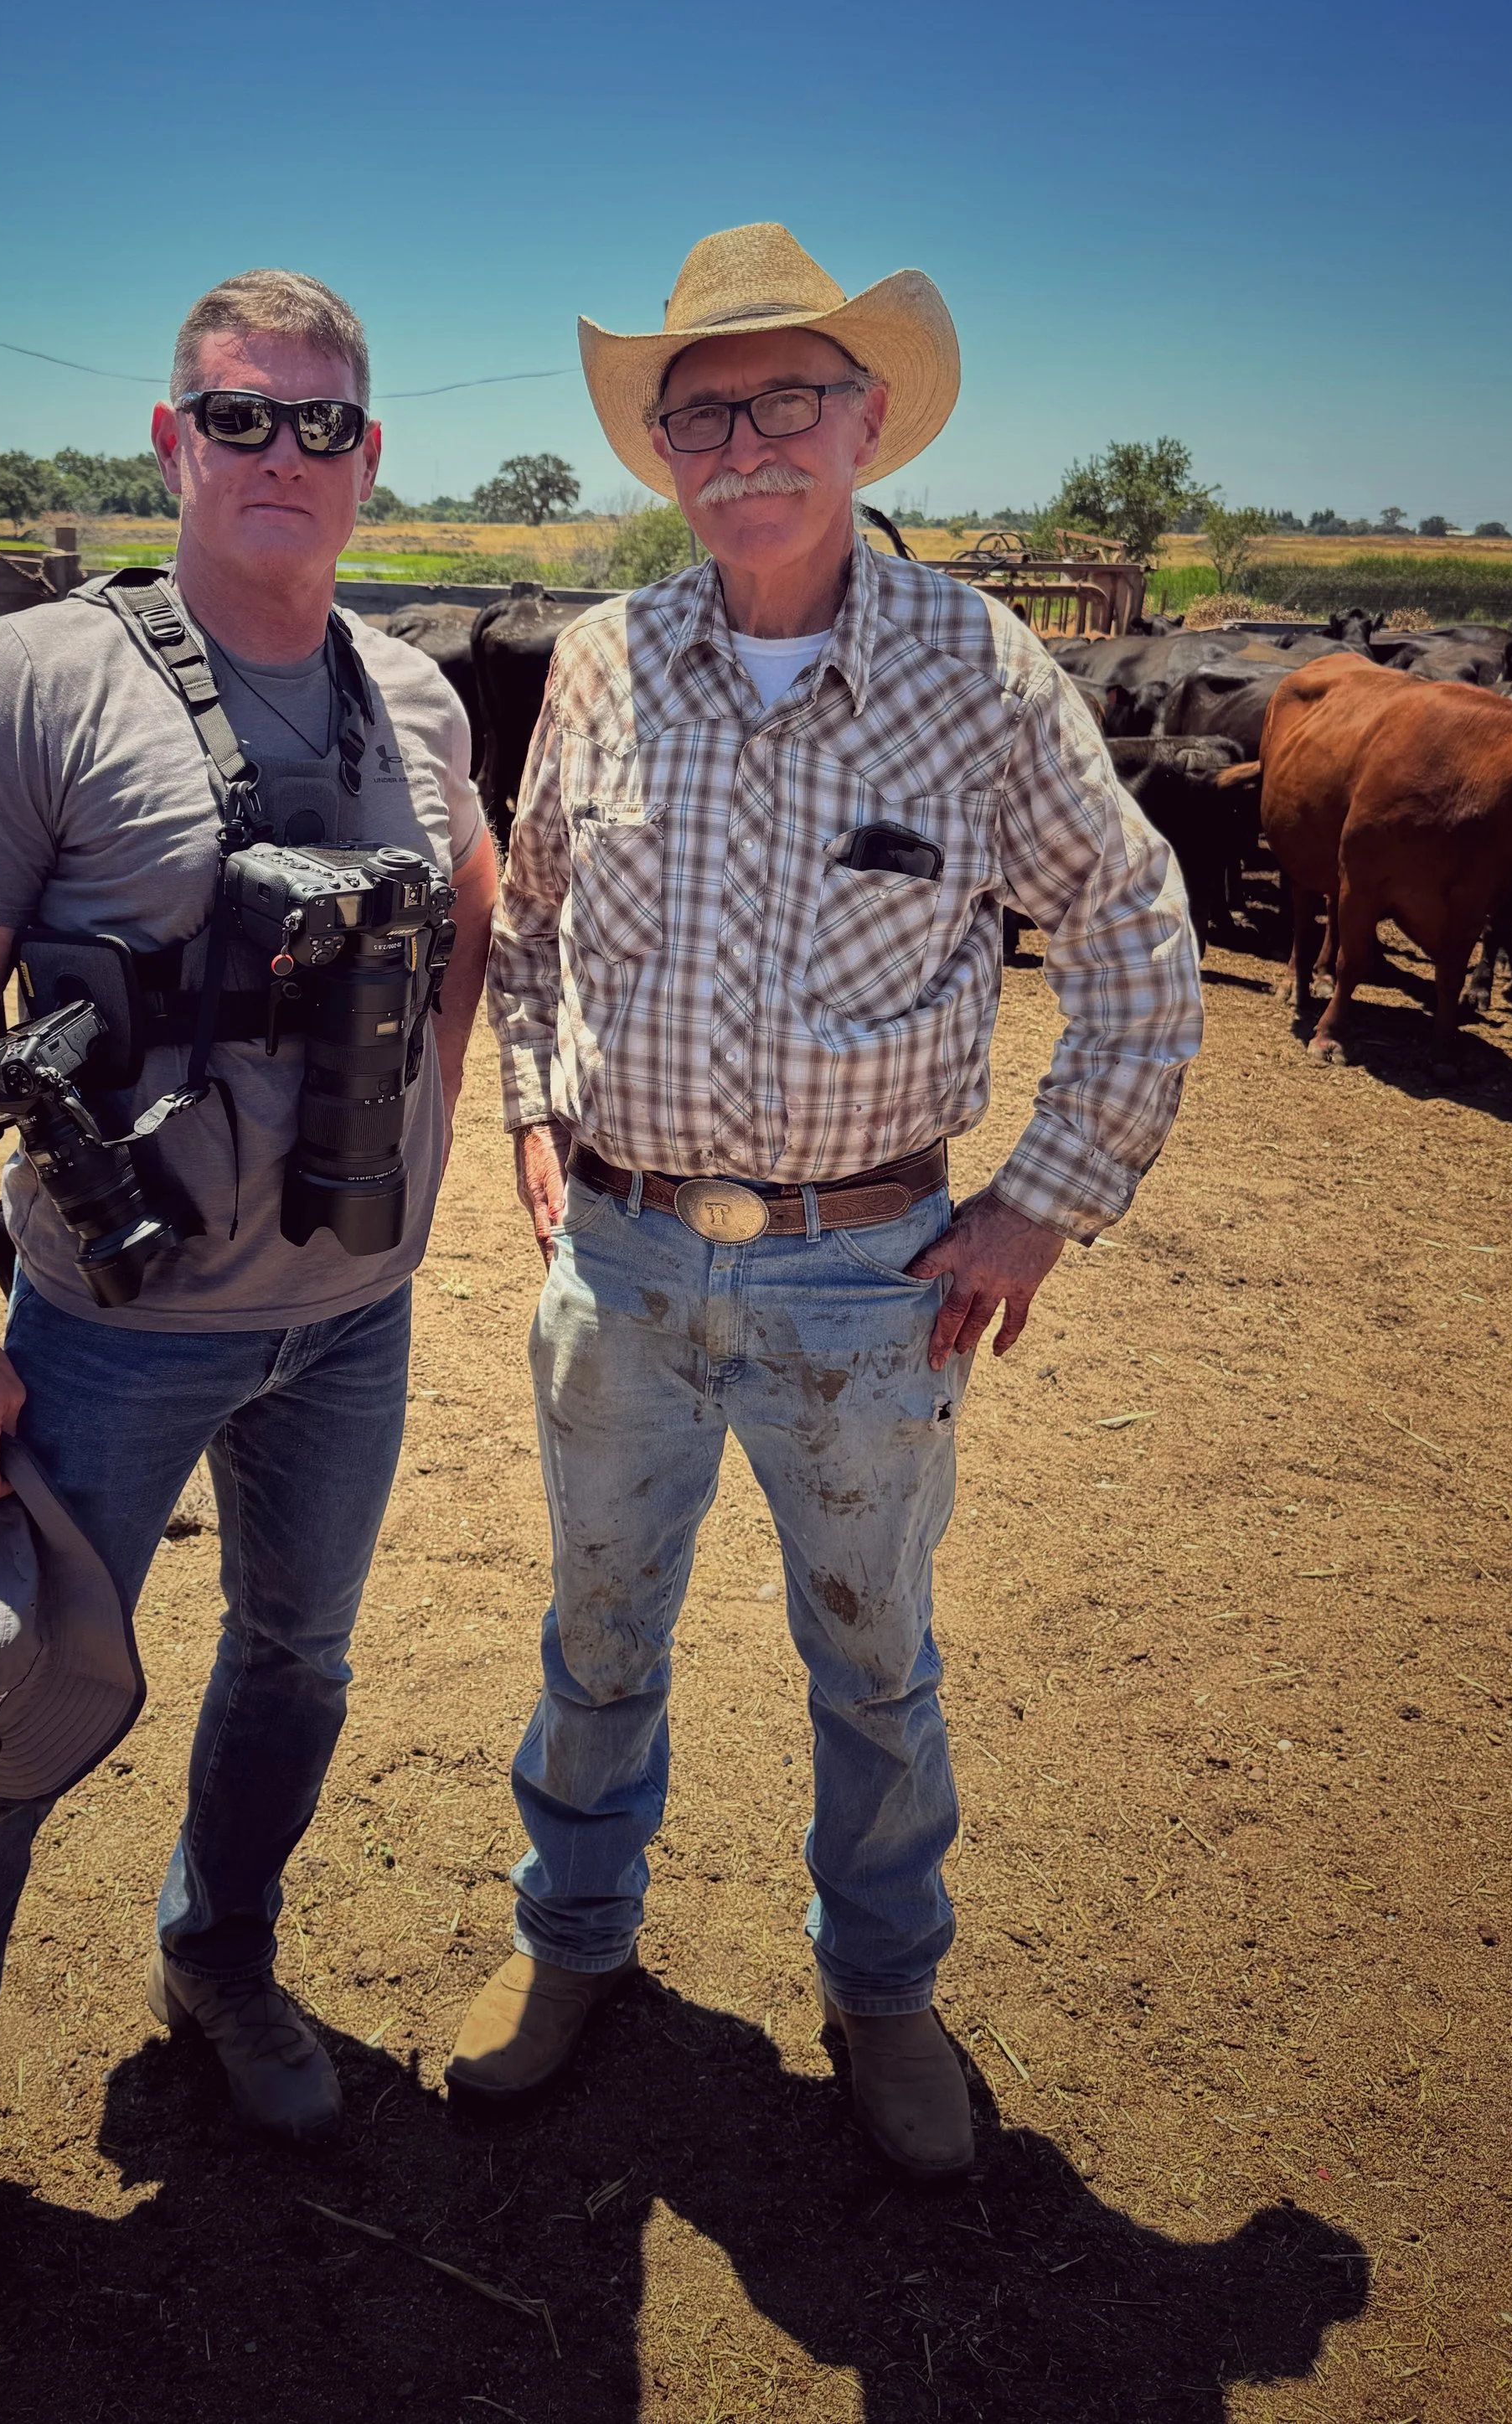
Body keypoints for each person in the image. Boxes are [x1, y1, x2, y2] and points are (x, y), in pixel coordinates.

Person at [446, 224, 1202, 2178]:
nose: (746, 443)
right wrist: (533, 1110)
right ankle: (569, 1940)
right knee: (595, 1627)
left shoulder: (978, 672)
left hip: (868, 1271)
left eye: (787, 399)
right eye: (702, 413)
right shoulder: (603, 663)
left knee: (871, 1657)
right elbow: (530, 925)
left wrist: (1038, 1205)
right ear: (662, 450)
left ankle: (881, 1987)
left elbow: (1135, 938)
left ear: (866, 422)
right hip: (618, 1251)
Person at [0, 270, 498, 2424]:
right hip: (107, 1335)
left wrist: (418, 1151)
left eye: (320, 424)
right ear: (167, 436)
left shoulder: (416, 697)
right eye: (237, 417)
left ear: (368, 454)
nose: (278, 456)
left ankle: (218, 1957)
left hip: (348, 1323)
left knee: (297, 1661)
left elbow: (472, 908)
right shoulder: (33, 684)